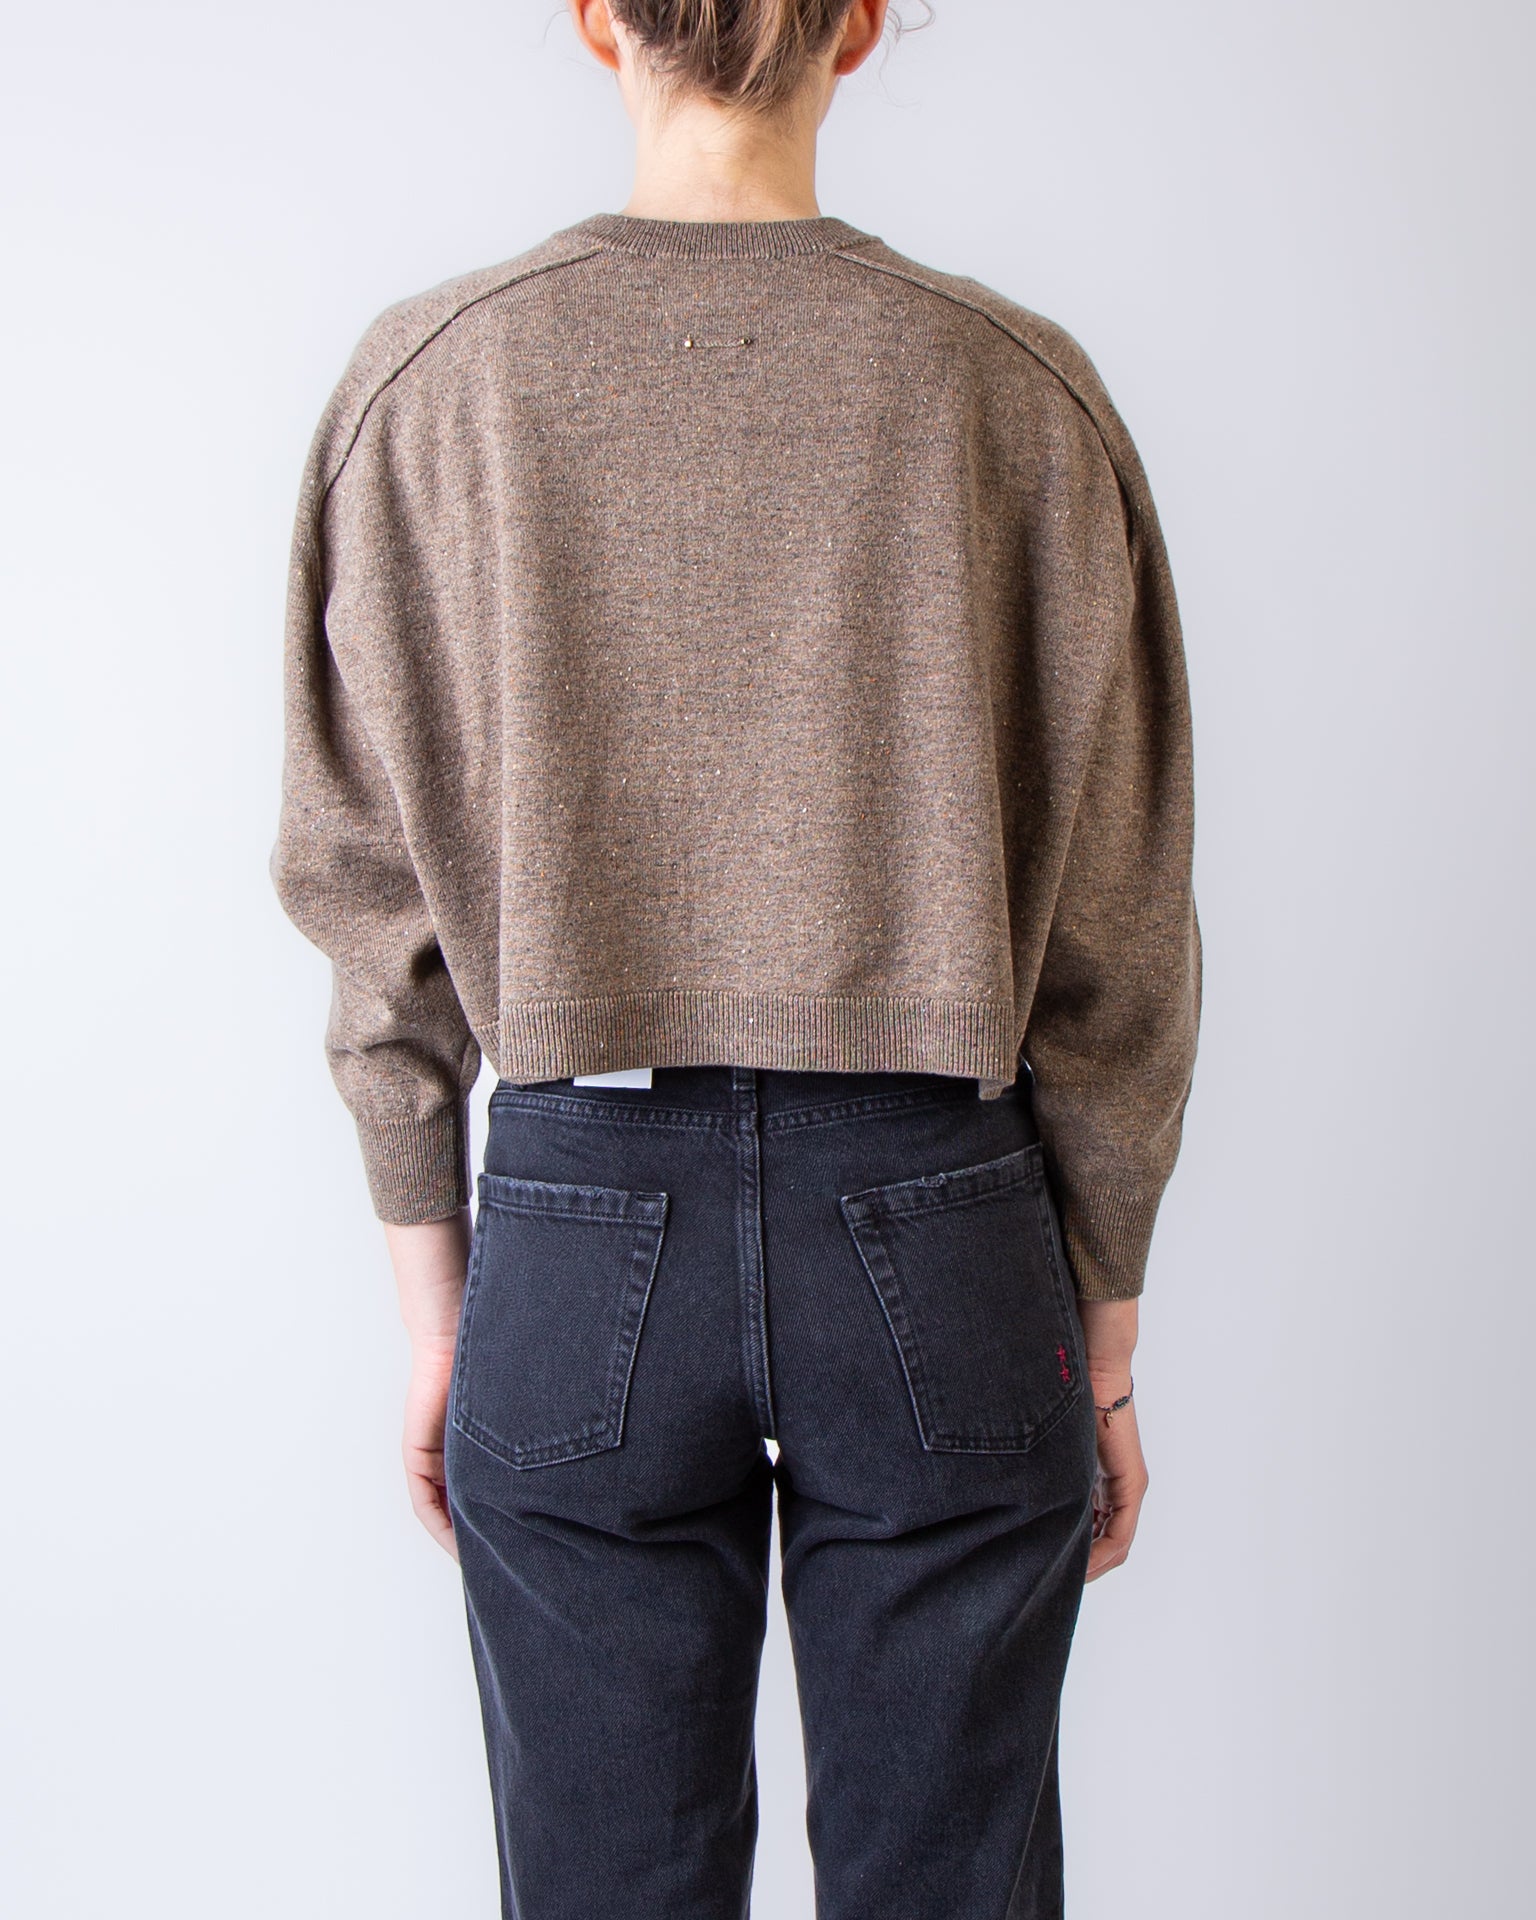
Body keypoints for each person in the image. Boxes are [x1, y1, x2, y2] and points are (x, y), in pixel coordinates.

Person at [271, 0, 1201, 1912]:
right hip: (938, 1213)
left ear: (595, 21)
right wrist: (1103, 1350)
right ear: (858, 28)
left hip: (577, 1208)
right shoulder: (1015, 386)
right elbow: (1120, 926)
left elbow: (367, 906)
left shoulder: (429, 385)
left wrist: (442, 1316)